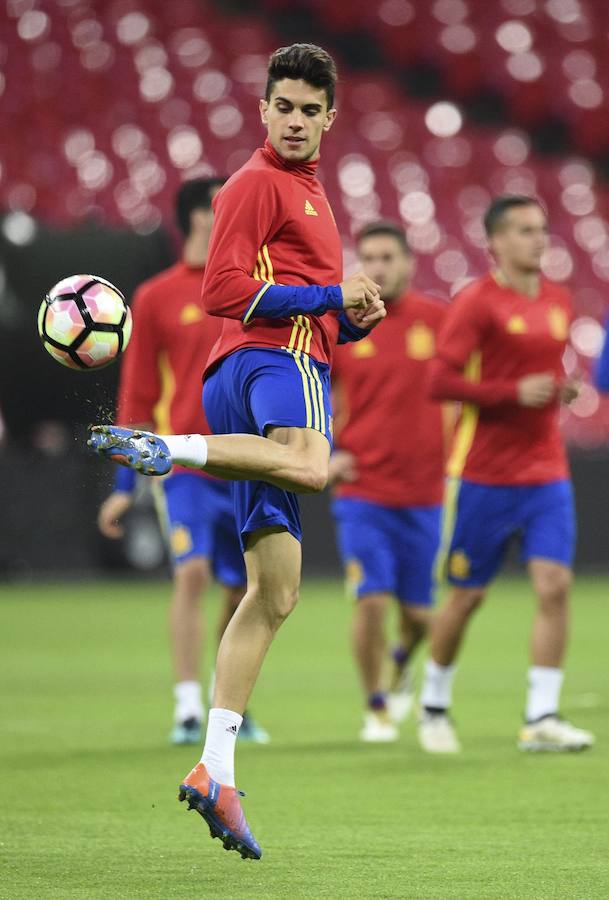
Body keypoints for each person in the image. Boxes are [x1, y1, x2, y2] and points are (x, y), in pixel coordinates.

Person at [89, 43, 386, 859]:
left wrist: (351, 320)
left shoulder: (309, 192)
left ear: (329, 117)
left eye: (307, 109)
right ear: (263, 110)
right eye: (281, 106)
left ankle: (214, 768)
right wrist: (329, 297)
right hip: (270, 364)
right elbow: (221, 289)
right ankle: (169, 448)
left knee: (275, 594)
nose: (293, 121)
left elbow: (306, 307)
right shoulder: (256, 182)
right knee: (313, 466)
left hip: (264, 367)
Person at [417, 195, 594, 754]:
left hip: (546, 470)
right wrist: (510, 393)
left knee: (555, 585)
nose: (539, 239)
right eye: (524, 230)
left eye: (542, 229)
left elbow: (542, 374)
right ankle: (434, 704)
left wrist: (558, 390)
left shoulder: (560, 301)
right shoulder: (476, 304)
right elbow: (439, 382)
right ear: (495, 242)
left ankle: (541, 715)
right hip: (484, 474)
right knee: (467, 596)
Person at [97, 178, 269, 746]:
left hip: (243, 463)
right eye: (223, 208)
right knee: (191, 574)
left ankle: (229, 704)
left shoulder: (253, 292)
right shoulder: (156, 297)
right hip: (188, 467)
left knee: (242, 590)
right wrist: (125, 483)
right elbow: (138, 398)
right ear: (197, 219)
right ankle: (187, 706)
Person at [329, 221, 448, 742]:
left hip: (424, 494)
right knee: (371, 599)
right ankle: (375, 705)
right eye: (368, 258)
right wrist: (326, 455)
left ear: (408, 263)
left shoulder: (440, 322)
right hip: (363, 491)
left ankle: (401, 662)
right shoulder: (340, 327)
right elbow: (307, 397)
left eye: (387, 257)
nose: (377, 267)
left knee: (421, 617)